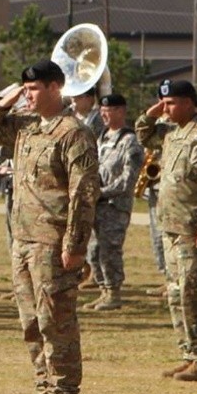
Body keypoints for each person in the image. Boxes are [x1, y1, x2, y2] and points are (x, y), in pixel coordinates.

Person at [0, 61, 99, 394]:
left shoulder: (73, 133)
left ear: (55, 88)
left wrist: (75, 244)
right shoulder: (26, 127)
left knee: (56, 322)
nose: (28, 95)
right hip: (23, 239)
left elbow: (84, 193)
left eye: (34, 89)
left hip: (53, 241)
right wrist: (5, 100)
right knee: (31, 323)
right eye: (25, 89)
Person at [136, 80, 197, 381]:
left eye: (171, 103)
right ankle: (188, 353)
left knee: (193, 294)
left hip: (192, 227)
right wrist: (153, 111)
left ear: (188, 103)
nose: (166, 108)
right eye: (164, 102)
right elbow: (142, 132)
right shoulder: (170, 134)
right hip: (170, 227)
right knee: (175, 294)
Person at [86, 94, 141, 311]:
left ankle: (113, 292)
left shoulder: (129, 141)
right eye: (102, 110)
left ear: (121, 111)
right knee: (93, 250)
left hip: (114, 206)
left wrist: (103, 192)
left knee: (110, 250)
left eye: (109, 110)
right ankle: (103, 290)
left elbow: (128, 179)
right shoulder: (102, 138)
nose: (104, 114)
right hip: (97, 204)